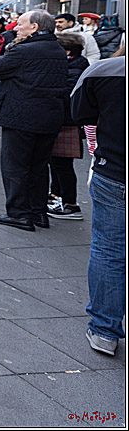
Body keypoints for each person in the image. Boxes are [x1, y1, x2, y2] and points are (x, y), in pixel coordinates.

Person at [0, 10, 68, 231]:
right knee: (38, 167)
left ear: (35, 27)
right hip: (49, 117)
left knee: (15, 167)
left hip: (21, 117)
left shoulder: (24, 51)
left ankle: (18, 214)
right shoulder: (57, 49)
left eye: (20, 24)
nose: (15, 28)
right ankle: (38, 213)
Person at [69, 47, 125, 356]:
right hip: (114, 173)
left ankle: (105, 331)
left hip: (115, 171)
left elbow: (81, 113)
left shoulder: (105, 70)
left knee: (109, 250)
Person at [46, 32, 91, 219]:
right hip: (63, 119)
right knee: (56, 162)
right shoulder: (74, 64)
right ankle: (56, 195)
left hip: (66, 121)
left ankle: (71, 204)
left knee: (62, 164)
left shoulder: (75, 67)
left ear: (66, 51)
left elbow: (66, 92)